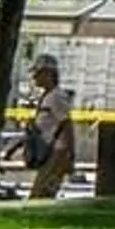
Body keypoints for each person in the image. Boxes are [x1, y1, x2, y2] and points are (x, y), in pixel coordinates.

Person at [25, 53, 79, 198]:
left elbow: (67, 125)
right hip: (47, 152)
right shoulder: (47, 96)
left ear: (48, 74)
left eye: (38, 73)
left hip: (56, 153)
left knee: (40, 195)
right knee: (40, 194)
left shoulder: (57, 97)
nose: (34, 77)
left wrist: (70, 155)